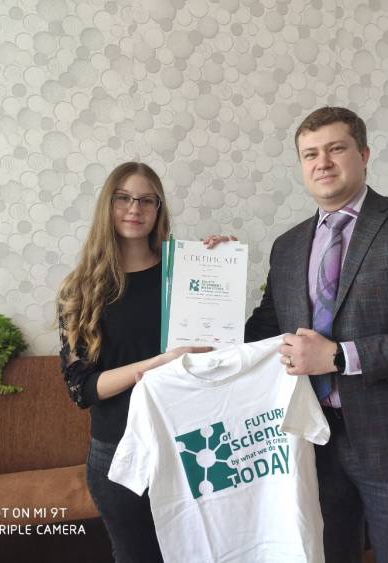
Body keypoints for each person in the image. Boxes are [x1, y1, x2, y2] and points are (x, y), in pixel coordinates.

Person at [245, 107, 388, 563]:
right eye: (310, 154)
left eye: (336, 149)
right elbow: (263, 331)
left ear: (364, 154)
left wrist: (339, 357)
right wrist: (216, 272)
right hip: (313, 440)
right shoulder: (287, 246)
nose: (322, 163)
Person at [56, 161, 232, 563]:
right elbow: (81, 389)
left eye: (146, 200)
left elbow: (222, 348)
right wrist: (158, 363)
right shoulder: (80, 289)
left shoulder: (185, 272)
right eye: (123, 198)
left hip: (195, 442)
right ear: (108, 204)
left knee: (211, 552)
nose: (134, 208)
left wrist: (225, 266)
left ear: (158, 209)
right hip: (119, 449)